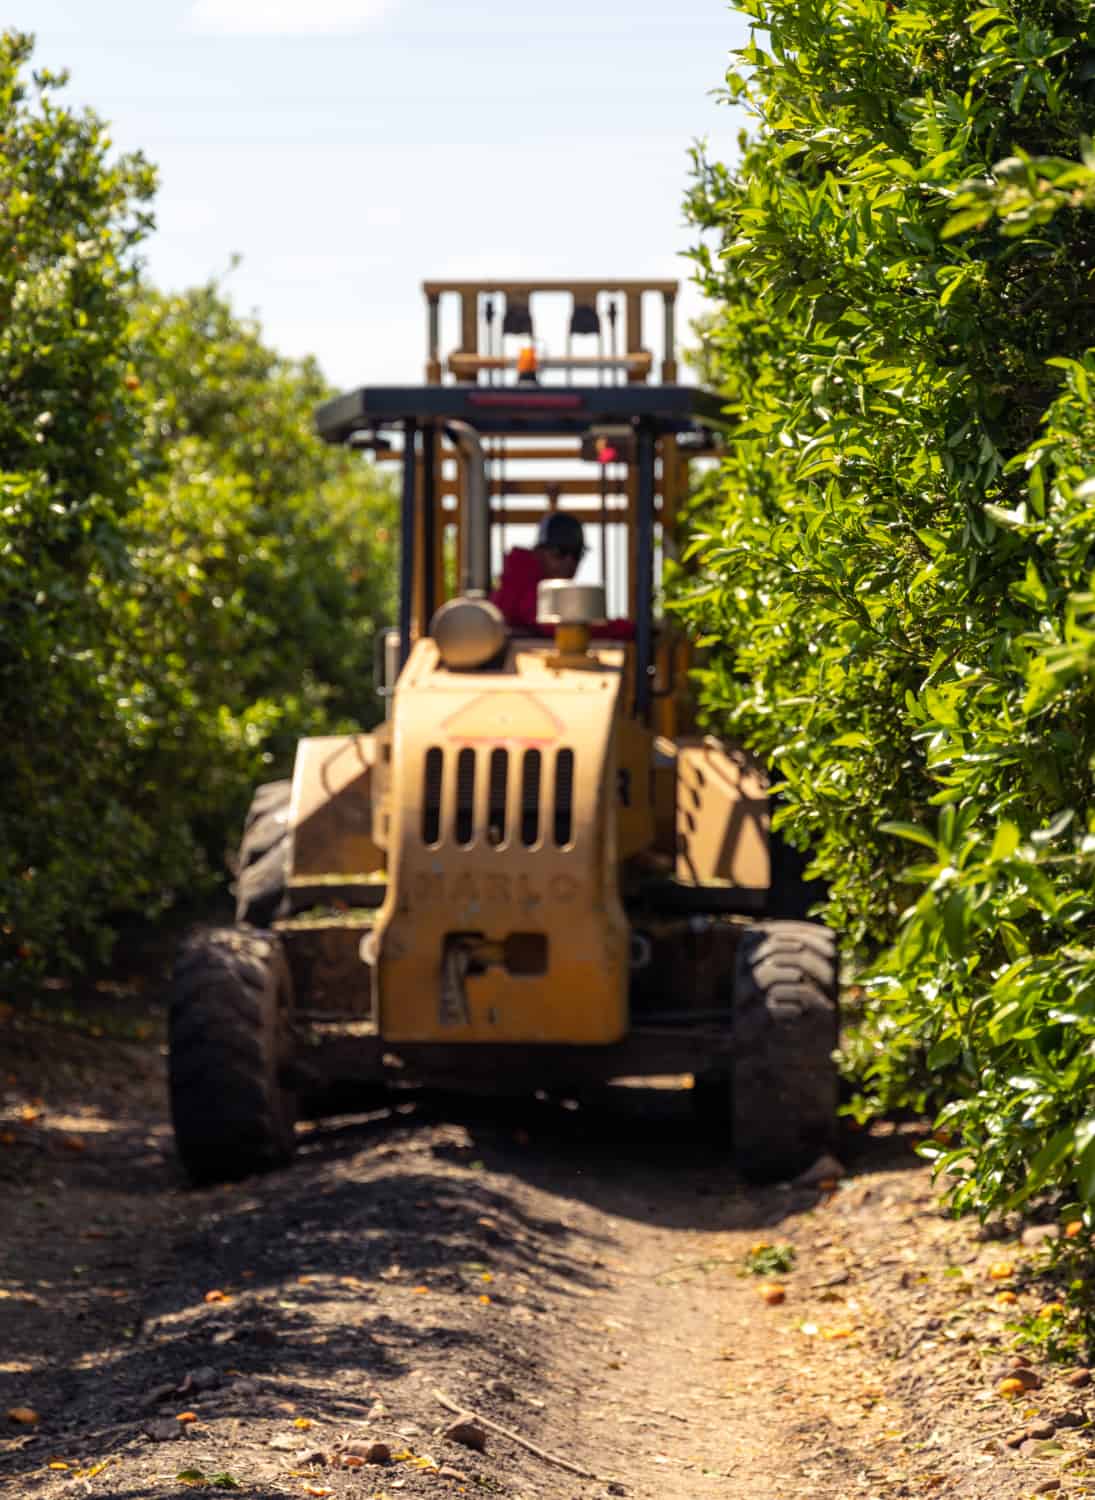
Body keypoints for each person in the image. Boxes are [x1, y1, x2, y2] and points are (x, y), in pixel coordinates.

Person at [491, 513, 634, 639]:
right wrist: (627, 630)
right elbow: (560, 627)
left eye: (577, 554)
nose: (569, 562)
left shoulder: (538, 586)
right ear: (538, 552)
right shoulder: (521, 581)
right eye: (560, 552)